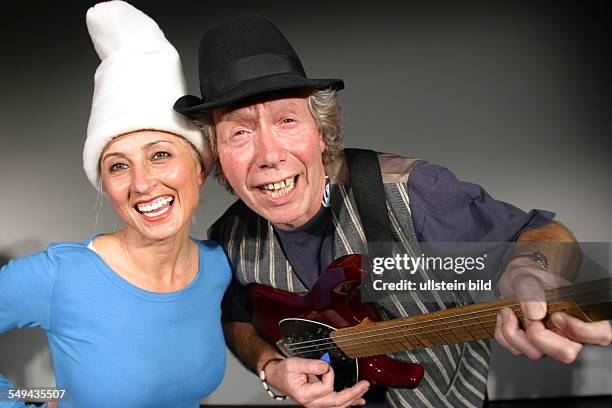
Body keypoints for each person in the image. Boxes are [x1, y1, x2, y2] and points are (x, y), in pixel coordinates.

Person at [174, 15, 612, 408]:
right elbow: (235, 320)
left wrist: (533, 273)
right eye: (240, 133)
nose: (269, 154)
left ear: (321, 134)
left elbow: (542, 233)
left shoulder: (414, 191)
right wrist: (272, 368)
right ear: (217, 157)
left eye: (287, 120)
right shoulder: (229, 237)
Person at [0, 2, 230, 407]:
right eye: (118, 165)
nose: (141, 183)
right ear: (104, 183)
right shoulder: (59, 276)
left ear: (199, 168)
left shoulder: (217, 265)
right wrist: (27, 401)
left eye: (160, 154)